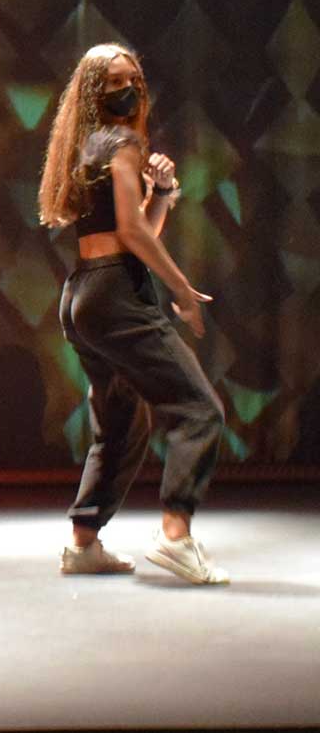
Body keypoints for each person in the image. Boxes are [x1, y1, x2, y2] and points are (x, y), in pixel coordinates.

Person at [39, 43, 227, 584]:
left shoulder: (90, 146)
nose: (128, 91)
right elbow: (132, 233)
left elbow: (136, 227)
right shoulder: (122, 143)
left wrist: (161, 191)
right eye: (116, 82)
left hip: (82, 296)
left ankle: (83, 542)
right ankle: (175, 535)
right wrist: (182, 288)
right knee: (199, 409)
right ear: (94, 92)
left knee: (122, 422)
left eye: (134, 81)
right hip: (115, 293)